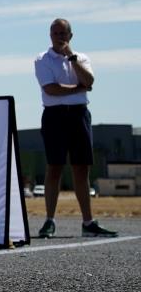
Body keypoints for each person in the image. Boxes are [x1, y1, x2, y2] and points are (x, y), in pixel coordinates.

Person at [33, 18, 116, 238]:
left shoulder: (81, 58)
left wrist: (72, 58)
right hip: (54, 116)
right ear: (50, 36)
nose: (59, 37)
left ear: (70, 36)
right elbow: (51, 89)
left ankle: (88, 222)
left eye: (63, 33)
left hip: (79, 115)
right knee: (55, 167)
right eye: (55, 33)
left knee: (81, 168)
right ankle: (49, 220)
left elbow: (89, 80)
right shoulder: (42, 59)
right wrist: (79, 88)